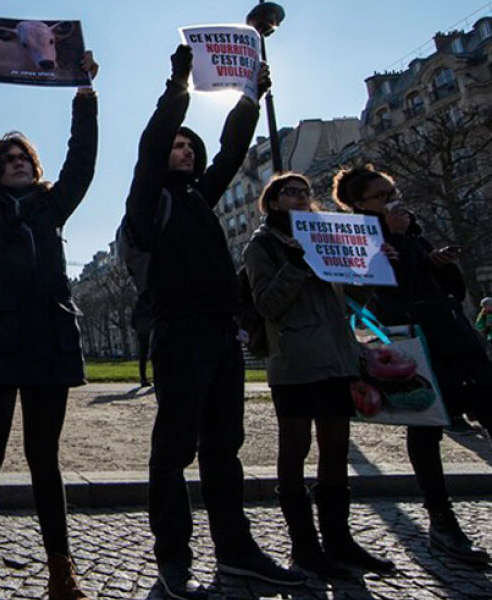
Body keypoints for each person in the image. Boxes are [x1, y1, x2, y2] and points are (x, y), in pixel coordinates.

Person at [120, 45, 302, 599]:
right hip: (180, 333)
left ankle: (237, 551)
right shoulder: (149, 202)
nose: (183, 149)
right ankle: (173, 558)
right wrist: (178, 87)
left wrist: (250, 97)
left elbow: (230, 151)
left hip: (223, 334)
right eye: (177, 144)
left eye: (188, 146)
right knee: (174, 451)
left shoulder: (200, 197)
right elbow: (152, 149)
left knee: (225, 448)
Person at [0, 37, 98, 600]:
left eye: (24, 159)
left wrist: (85, 92)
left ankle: (62, 574)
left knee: (46, 461)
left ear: (34, 169)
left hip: (46, 340)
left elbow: (82, 160)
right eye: (7, 159)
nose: (15, 163)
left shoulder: (51, 206)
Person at [332, 165, 492, 566]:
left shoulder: (411, 232)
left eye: (393, 192)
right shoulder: (364, 240)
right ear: (360, 205)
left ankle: (444, 524)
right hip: (417, 341)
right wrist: (399, 241)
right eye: (383, 197)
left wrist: (439, 262)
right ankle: (442, 522)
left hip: (454, 334)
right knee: (427, 427)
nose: (394, 202)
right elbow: (389, 292)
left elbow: (448, 288)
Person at [243, 173, 394, 578]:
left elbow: (350, 300)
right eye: (289, 192)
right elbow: (268, 304)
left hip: (336, 356)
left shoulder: (327, 237)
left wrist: (372, 266)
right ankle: (305, 546)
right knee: (294, 451)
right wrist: (296, 266)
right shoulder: (261, 245)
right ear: (272, 203)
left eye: (305, 192)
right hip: (294, 361)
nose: (300, 198)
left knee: (335, 451)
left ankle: (339, 540)